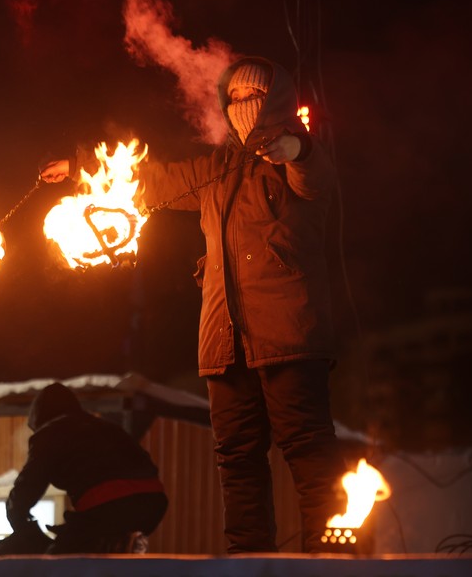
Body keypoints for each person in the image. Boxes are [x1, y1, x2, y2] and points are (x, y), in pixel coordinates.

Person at [39, 56, 350, 554]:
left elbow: (313, 175)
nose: (243, 105)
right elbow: (154, 181)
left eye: (254, 96)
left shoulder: (296, 158)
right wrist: (81, 168)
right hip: (224, 344)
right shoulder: (216, 169)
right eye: (235, 98)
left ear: (276, 101)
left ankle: (333, 559)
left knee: (308, 450)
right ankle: (248, 562)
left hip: (289, 337)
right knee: (237, 460)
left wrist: (296, 147)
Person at [4, 381, 168, 554]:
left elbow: (28, 484)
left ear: (38, 420)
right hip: (153, 503)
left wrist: (20, 523)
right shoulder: (106, 427)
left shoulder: (49, 432)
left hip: (108, 506)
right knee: (97, 545)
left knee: (59, 561)